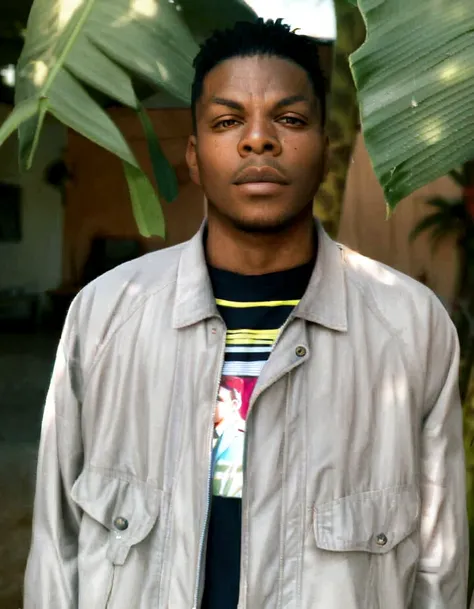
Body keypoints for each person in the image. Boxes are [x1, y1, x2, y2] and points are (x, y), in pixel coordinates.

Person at [24, 18, 468, 609]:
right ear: (194, 156)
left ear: (325, 152)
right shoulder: (105, 318)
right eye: (228, 121)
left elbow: (439, 566)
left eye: (289, 119)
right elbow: (58, 546)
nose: (258, 140)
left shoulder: (410, 327)